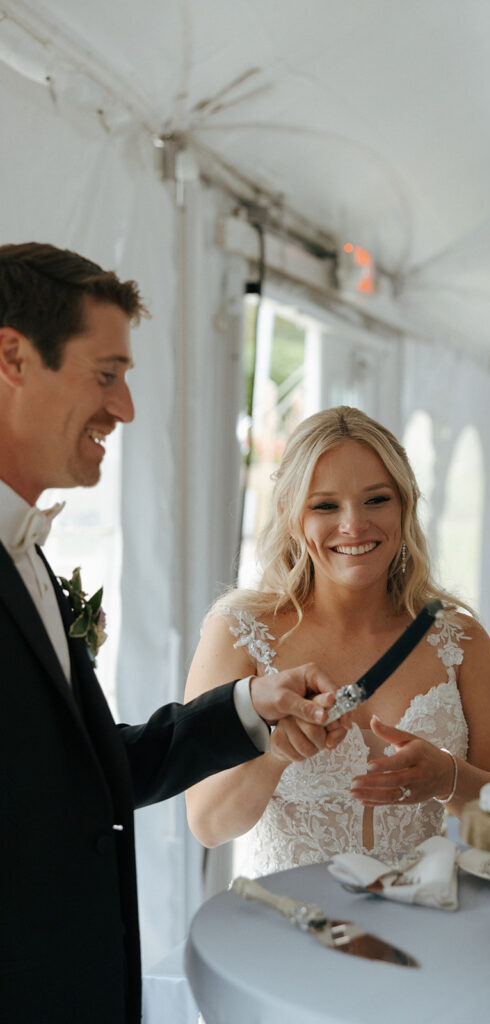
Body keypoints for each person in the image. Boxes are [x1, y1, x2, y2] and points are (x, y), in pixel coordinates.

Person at [0, 242, 348, 1024]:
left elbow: (87, 773)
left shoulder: (27, 555)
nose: (124, 408)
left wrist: (249, 707)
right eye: (105, 374)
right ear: (13, 357)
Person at [185, 406, 490, 879]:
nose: (354, 525)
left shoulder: (462, 640)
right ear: (292, 518)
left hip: (428, 926)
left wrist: (450, 779)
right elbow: (207, 825)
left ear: (405, 505)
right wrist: (274, 754)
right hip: (293, 930)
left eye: (376, 499)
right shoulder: (239, 632)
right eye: (325, 505)